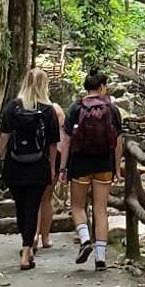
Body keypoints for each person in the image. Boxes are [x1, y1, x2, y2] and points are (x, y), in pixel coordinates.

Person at [0, 68, 60, 271]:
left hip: (15, 165)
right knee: (33, 206)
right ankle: (26, 251)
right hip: (38, 166)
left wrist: (3, 158)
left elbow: (3, 138)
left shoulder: (11, 108)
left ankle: (26, 245)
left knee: (21, 208)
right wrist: (51, 168)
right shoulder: (48, 110)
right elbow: (52, 145)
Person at [59, 69, 123, 271]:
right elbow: (117, 141)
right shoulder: (111, 109)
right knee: (101, 208)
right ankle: (101, 257)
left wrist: (63, 168)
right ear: (102, 87)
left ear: (86, 87)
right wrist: (117, 167)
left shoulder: (76, 107)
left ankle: (85, 239)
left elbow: (67, 140)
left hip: (80, 164)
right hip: (104, 164)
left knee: (77, 206)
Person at [29, 67, 66, 249]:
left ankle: (32, 235)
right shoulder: (55, 110)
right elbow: (59, 139)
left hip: (26, 158)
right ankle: (45, 237)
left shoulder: (19, 107)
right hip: (49, 158)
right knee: (46, 199)